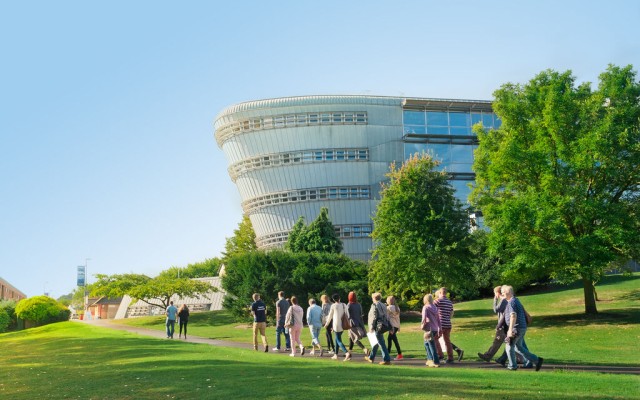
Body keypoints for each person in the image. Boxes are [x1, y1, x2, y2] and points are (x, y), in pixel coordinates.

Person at [502, 285, 544, 371]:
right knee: (519, 347)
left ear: (508, 293)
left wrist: (510, 330)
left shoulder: (511, 302)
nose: (502, 295)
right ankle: (537, 360)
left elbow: (513, 316)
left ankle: (512, 366)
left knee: (509, 346)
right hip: (522, 327)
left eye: (503, 293)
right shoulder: (516, 300)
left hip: (516, 328)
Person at [434, 288, 464, 363]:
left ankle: (440, 355)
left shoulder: (438, 301)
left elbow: (431, 306)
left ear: (440, 293)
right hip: (448, 323)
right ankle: (450, 358)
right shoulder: (449, 302)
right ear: (446, 293)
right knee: (447, 341)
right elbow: (451, 313)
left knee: (435, 339)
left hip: (441, 323)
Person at [366, 292, 391, 365]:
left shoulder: (375, 305)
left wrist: (371, 327)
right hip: (383, 325)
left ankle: (386, 359)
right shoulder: (383, 305)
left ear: (374, 298)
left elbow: (374, 317)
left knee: (381, 343)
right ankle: (371, 357)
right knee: (377, 342)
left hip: (377, 326)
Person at [324, 293, 351, 361]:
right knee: (337, 339)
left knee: (338, 340)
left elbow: (330, 316)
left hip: (336, 325)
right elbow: (348, 315)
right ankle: (335, 354)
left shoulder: (333, 306)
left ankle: (346, 353)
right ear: (339, 298)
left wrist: (326, 324)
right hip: (343, 325)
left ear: (333, 299)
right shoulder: (344, 304)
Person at [346, 291, 369, 359]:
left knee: (354, 338)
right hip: (358, 322)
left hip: (351, 323)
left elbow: (348, 315)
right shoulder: (359, 304)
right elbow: (360, 314)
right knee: (351, 338)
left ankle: (364, 349)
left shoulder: (349, 305)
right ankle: (349, 353)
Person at [421, 293, 441, 367]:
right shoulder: (435, 308)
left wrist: (422, 326)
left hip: (428, 328)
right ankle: (429, 359)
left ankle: (435, 361)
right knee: (426, 343)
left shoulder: (425, 307)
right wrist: (440, 328)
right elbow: (438, 319)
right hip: (435, 328)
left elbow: (424, 318)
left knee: (431, 345)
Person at [386, 295, 403, 361]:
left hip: (392, 326)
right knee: (393, 339)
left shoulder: (388, 308)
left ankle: (388, 353)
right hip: (396, 325)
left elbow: (386, 317)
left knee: (390, 339)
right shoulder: (397, 308)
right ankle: (399, 354)